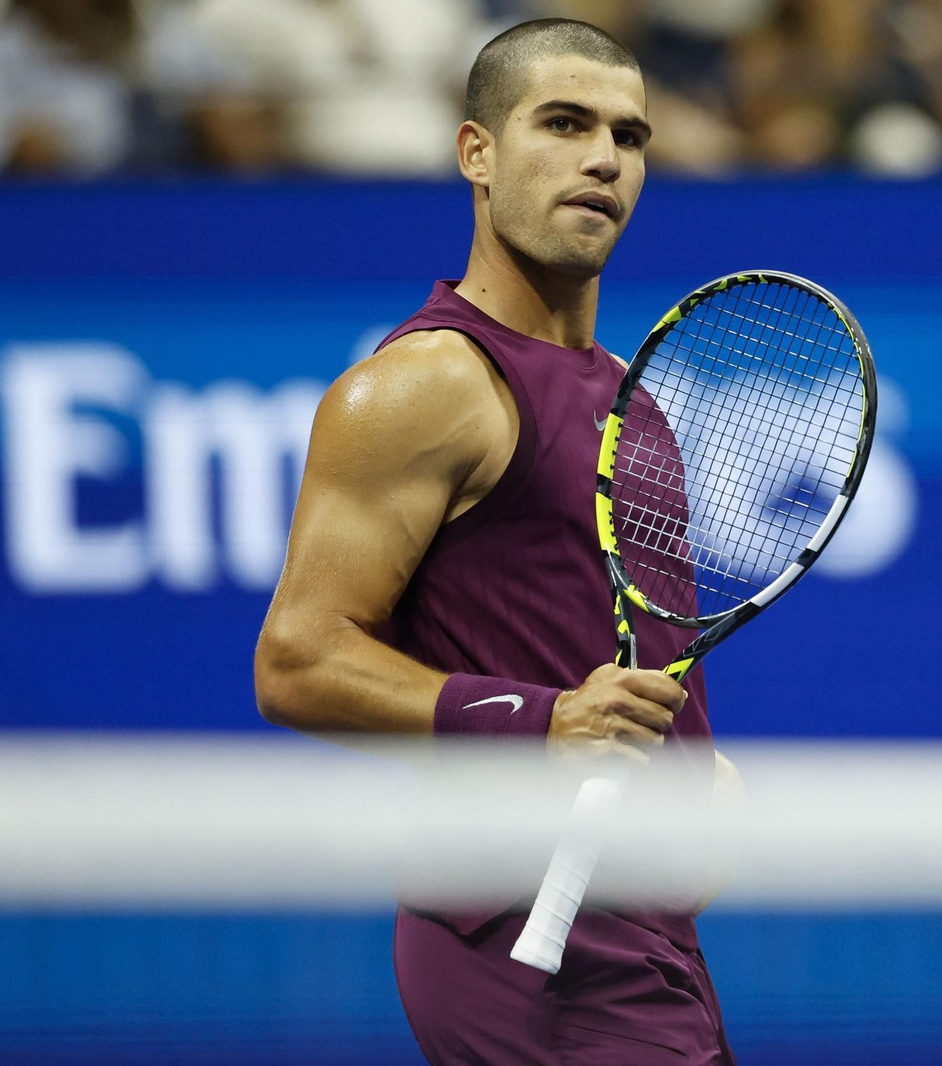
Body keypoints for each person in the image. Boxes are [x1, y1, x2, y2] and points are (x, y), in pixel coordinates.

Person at [253, 17, 739, 1066]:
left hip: (648, 935)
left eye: (629, 134)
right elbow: (295, 660)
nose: (603, 157)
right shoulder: (426, 385)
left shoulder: (630, 400)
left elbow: (618, 655)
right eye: (561, 123)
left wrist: (698, 778)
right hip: (522, 935)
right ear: (475, 151)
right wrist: (542, 721)